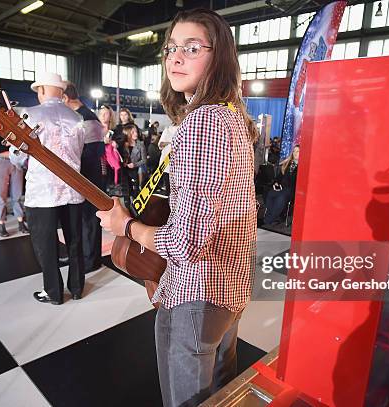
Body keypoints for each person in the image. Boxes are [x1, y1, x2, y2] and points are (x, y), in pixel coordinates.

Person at [97, 9, 258, 407]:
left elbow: (185, 243)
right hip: (231, 286)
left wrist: (126, 227)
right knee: (221, 395)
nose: (175, 58)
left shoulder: (202, 122)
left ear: (218, 56)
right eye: (171, 49)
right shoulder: (233, 116)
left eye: (192, 48)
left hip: (195, 293)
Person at [17, 72, 91, 305]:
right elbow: (79, 151)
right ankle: (77, 287)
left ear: (41, 91)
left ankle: (54, 291)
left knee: (45, 241)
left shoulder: (31, 113)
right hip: (72, 187)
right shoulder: (77, 117)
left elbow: (17, 155)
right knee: (75, 239)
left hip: (43, 191)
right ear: (61, 91)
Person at [63, 82, 106, 273]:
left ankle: (91, 259)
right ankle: (83, 255)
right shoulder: (81, 116)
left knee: (89, 218)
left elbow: (90, 152)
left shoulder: (85, 118)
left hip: (90, 175)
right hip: (84, 173)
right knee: (81, 218)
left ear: (65, 98)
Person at [0, 107, 27, 237]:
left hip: (16, 161)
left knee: (17, 194)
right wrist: (10, 146)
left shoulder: (18, 126)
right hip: (1, 161)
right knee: (0, 195)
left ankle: (21, 222)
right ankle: (1, 224)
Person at [263, 145, 299, 225]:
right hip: (282, 188)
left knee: (281, 197)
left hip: (292, 190)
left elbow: (296, 182)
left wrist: (284, 186)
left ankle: (268, 220)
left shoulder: (302, 167)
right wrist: (276, 183)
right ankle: (274, 216)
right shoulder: (288, 164)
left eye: (297, 151)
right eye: (294, 151)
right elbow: (279, 177)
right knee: (270, 193)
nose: (295, 153)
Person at [124, 123, 147, 192]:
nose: (135, 134)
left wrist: (134, 164)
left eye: (136, 131)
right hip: (124, 171)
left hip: (135, 171)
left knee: (135, 190)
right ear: (128, 133)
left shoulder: (140, 144)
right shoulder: (123, 144)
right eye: (133, 132)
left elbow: (144, 160)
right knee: (126, 190)